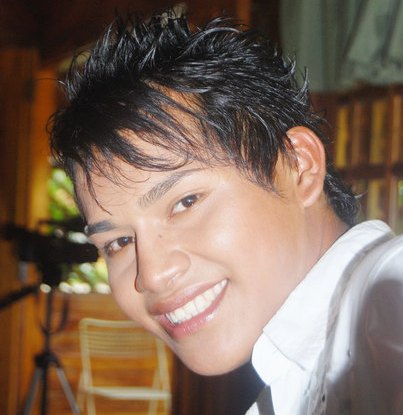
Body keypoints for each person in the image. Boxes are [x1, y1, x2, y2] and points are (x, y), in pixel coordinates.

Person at [49, 10, 403, 415]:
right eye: (119, 242)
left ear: (299, 166)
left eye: (185, 202)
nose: (152, 275)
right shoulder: (292, 383)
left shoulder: (387, 299)